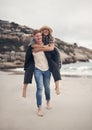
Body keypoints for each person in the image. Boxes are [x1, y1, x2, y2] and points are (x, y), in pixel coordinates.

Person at [23, 30, 55, 116]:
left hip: (47, 70)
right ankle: (39, 108)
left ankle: (48, 102)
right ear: (34, 37)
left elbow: (52, 51)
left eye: (40, 36)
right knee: (40, 88)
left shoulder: (46, 43)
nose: (39, 37)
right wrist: (27, 68)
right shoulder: (31, 47)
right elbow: (28, 58)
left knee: (47, 88)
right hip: (37, 70)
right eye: (37, 36)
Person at [32, 26, 61, 94]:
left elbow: (51, 48)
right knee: (54, 67)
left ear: (49, 31)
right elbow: (33, 46)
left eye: (47, 30)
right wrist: (45, 47)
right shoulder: (38, 37)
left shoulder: (51, 38)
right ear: (41, 31)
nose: (46, 31)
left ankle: (57, 87)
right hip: (46, 54)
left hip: (54, 54)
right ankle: (57, 87)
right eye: (44, 30)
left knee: (56, 68)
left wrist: (40, 48)